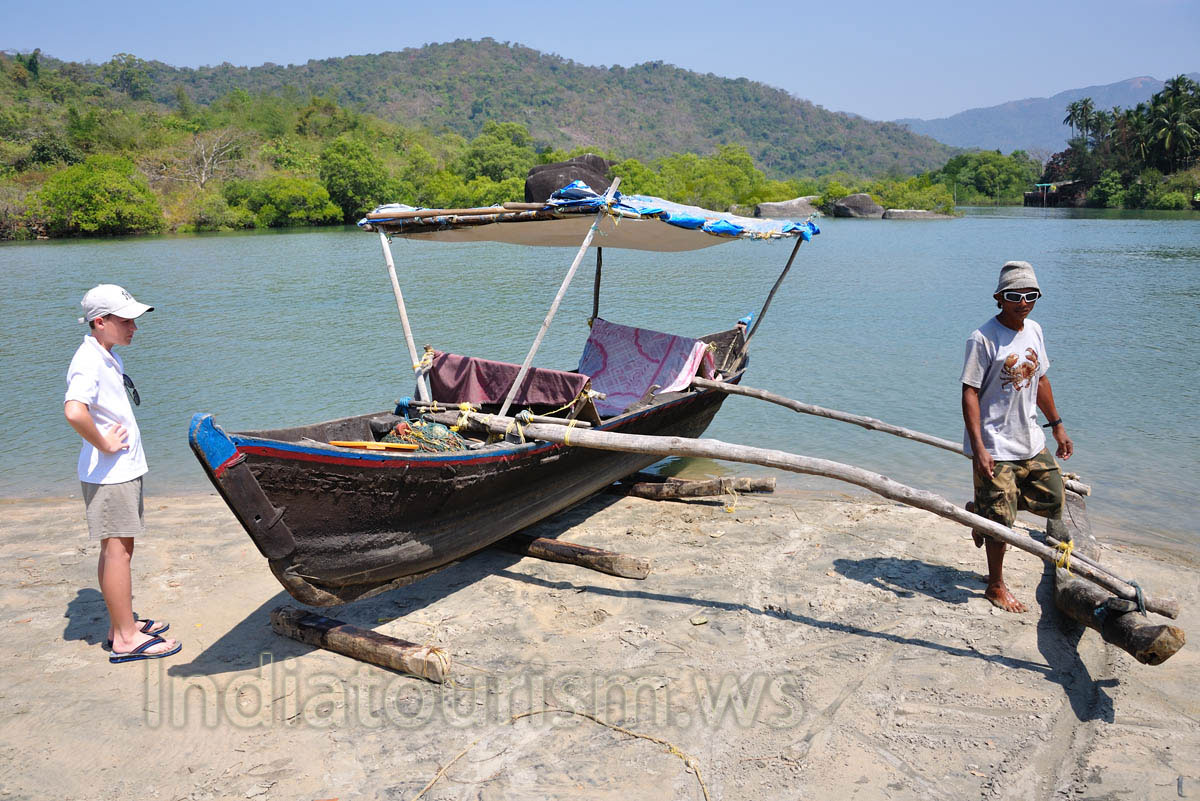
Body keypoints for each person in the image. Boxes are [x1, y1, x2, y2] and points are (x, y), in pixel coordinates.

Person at [64, 284, 181, 663]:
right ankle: (126, 638)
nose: (134, 327)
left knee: (117, 550)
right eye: (126, 320)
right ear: (100, 321)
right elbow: (74, 411)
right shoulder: (88, 360)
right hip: (110, 474)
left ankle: (121, 623)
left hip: (118, 473)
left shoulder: (105, 354)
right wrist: (104, 444)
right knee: (118, 553)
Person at [960, 261, 1074, 613]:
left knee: (1054, 498)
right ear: (999, 298)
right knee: (1000, 523)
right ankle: (995, 584)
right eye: (1014, 296)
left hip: (1029, 439)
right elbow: (969, 393)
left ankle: (985, 509)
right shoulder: (982, 339)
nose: (1023, 302)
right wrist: (978, 447)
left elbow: (1040, 379)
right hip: (995, 442)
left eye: (1030, 295)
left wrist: (1056, 424)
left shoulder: (1035, 330)